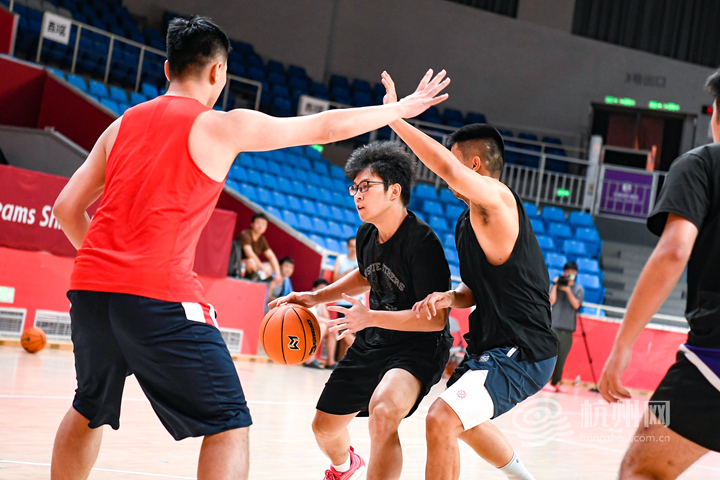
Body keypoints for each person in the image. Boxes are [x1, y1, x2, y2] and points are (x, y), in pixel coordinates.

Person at [49, 13, 450, 480]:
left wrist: (109, 267)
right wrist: (399, 110)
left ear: (167, 68)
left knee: (88, 406)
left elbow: (66, 207)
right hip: (158, 293)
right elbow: (324, 128)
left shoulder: (120, 126)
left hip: (90, 291)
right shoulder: (220, 125)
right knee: (228, 422)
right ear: (218, 71)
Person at [381, 71, 557, 480]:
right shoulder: (466, 221)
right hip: (493, 344)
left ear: (474, 165)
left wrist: (394, 117)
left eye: (455, 160)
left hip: (523, 348)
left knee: (442, 418)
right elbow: (474, 290)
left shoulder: (497, 199)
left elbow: (445, 166)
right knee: (462, 420)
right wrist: (449, 297)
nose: (448, 174)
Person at [270, 141, 453, 480]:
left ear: (394, 190)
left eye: (366, 186)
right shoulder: (367, 234)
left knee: (383, 411)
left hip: (418, 347)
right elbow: (365, 274)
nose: (357, 195)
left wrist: (369, 318)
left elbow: (436, 320)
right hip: (376, 339)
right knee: (324, 427)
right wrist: (314, 297)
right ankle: (345, 467)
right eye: (354, 187)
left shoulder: (422, 244)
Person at [598, 69, 720, 479]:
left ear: (716, 113)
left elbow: (673, 252)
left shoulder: (702, 163)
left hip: (713, 360)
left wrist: (623, 345)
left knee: (641, 470)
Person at [545, 261, 584, 393]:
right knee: (549, 356)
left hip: (567, 329)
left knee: (561, 359)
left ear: (576, 273)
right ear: (564, 272)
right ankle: (545, 382)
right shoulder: (555, 286)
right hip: (554, 326)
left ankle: (555, 383)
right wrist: (555, 285)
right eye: (567, 271)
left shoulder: (579, 289)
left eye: (572, 272)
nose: (570, 274)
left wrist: (568, 290)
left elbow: (576, 305)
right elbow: (551, 301)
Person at [236, 212, 280, 282]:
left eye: (263, 224)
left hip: (255, 267)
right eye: (258, 223)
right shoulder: (245, 235)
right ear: (252, 224)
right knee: (251, 261)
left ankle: (258, 278)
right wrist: (262, 268)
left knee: (270, 266)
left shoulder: (262, 239)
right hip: (238, 264)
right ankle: (257, 278)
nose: (260, 226)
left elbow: (271, 256)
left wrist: (278, 273)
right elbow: (249, 253)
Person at [303, 278, 333, 369]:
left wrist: (322, 302)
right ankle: (309, 359)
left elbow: (327, 318)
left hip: (313, 326)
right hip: (302, 326)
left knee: (332, 329)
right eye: (321, 289)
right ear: (314, 289)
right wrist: (329, 322)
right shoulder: (307, 297)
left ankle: (330, 362)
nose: (323, 291)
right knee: (323, 326)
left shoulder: (320, 301)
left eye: (325, 290)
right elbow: (312, 318)